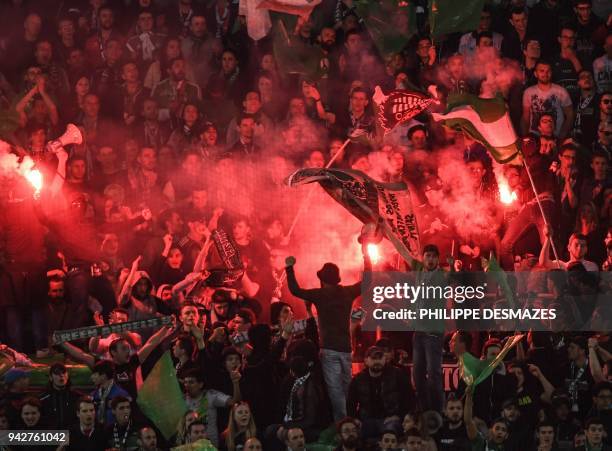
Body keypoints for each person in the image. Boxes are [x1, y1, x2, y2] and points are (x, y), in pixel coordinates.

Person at [285, 239, 371, 421]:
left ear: (322, 279)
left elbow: (294, 290)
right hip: (347, 349)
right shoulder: (347, 292)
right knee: (347, 387)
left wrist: (289, 268)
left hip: (329, 349)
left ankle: (342, 423)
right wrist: (366, 256)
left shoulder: (319, 294)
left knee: (335, 390)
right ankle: (352, 421)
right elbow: (368, 281)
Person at [346, 346, 411, 439]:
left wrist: (398, 416)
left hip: (390, 419)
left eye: (380, 358)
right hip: (366, 420)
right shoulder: (358, 379)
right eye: (373, 358)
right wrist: (355, 419)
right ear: (366, 360)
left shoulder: (397, 374)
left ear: (384, 359)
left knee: (390, 434)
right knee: (352, 436)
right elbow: (350, 403)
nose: (377, 361)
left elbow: (408, 397)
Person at [522, 60, 574, 139]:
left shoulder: (561, 91)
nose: (545, 74)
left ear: (551, 73)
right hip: (534, 137)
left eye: (548, 71)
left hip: (556, 138)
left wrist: (562, 135)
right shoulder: (528, 92)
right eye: (542, 71)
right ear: (536, 74)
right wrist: (525, 137)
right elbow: (525, 117)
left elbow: (570, 115)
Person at [39, 363, 81, 429]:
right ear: (50, 377)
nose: (61, 375)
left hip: (72, 436)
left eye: (64, 373)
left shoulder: (77, 397)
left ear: (68, 376)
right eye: (57, 373)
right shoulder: (42, 399)